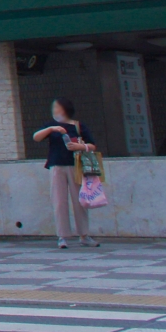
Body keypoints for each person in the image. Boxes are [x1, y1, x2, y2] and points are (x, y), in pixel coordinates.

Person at [33, 98, 98, 249]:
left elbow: (92, 145)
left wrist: (79, 146)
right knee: (59, 201)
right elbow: (36, 137)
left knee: (79, 201)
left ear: (65, 109)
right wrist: (51, 129)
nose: (54, 109)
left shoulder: (77, 125)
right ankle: (62, 236)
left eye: (57, 107)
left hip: (76, 165)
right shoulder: (51, 125)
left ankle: (84, 235)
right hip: (56, 165)